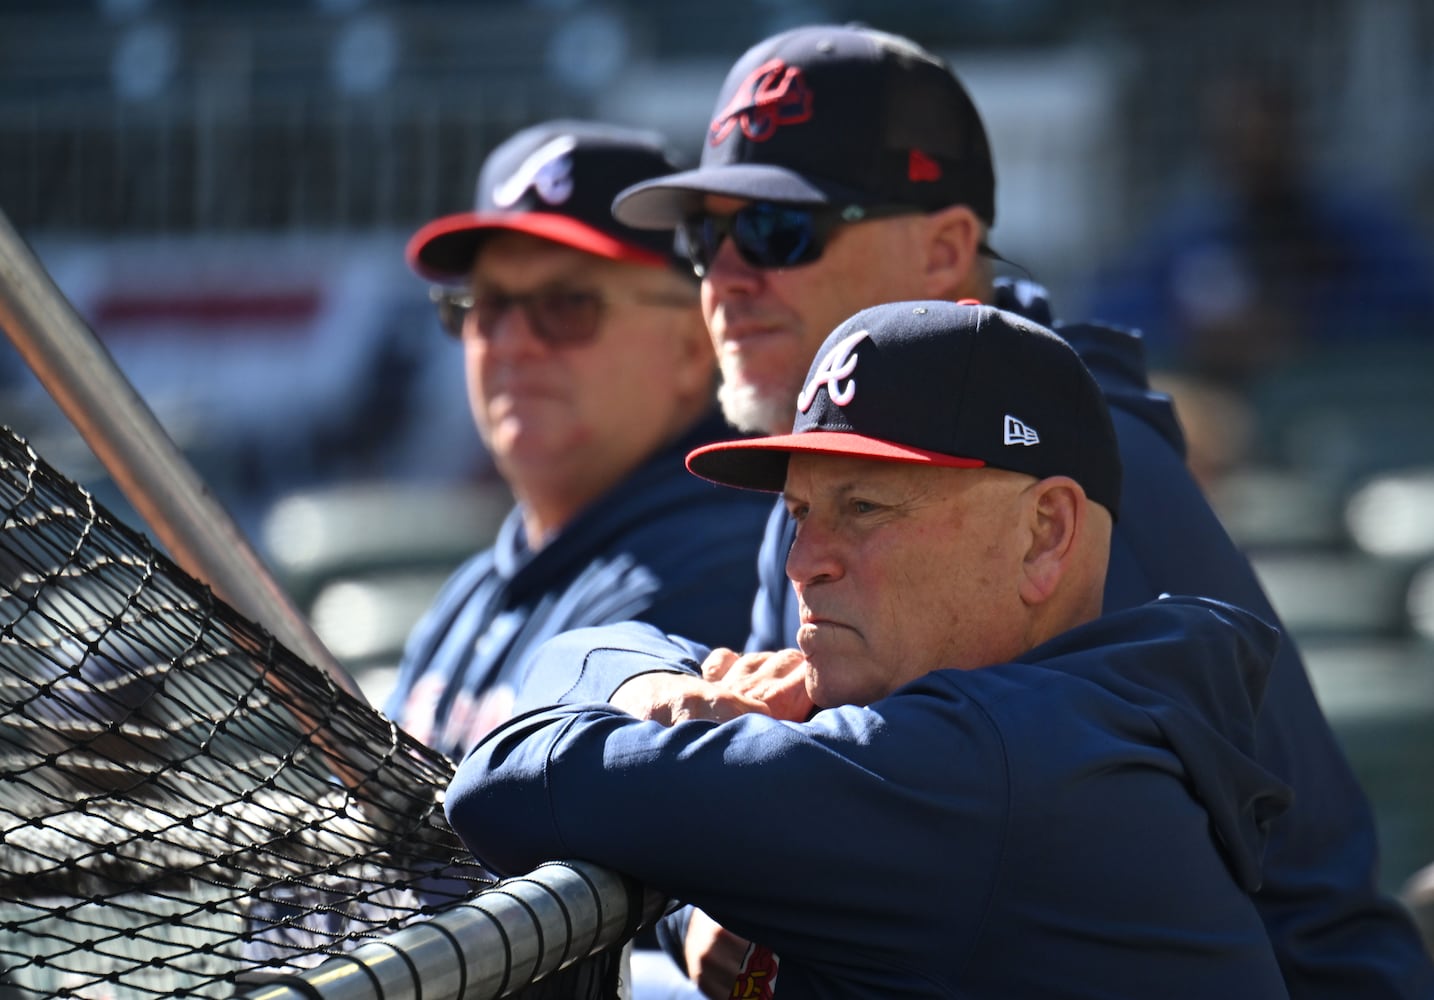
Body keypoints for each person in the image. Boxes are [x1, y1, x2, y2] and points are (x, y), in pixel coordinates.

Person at [608, 24, 1434, 998]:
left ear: (948, 250)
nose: (727, 279)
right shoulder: (832, 469)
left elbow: (893, 834)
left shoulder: (1067, 476)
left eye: (782, 233)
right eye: (706, 238)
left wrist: (721, 849)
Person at [447, 300, 1295, 998]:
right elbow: (581, 651)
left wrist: (665, 720)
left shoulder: (989, 767)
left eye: (865, 508)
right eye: (802, 513)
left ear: (1045, 533)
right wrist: (670, 700)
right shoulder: (1071, 729)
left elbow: (509, 781)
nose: (803, 563)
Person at [383, 121, 771, 763]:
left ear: (692, 345)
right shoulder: (479, 583)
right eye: (487, 304)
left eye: (566, 305)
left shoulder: (720, 565)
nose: (510, 342)